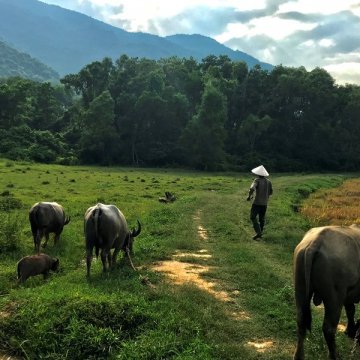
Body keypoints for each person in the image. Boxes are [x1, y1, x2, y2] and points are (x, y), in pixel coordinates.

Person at [246, 165, 273, 240]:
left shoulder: (256, 180)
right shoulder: (269, 182)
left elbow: (252, 188)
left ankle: (258, 232)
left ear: (258, 174)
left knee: (253, 217)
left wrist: (249, 196)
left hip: (257, 203)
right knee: (261, 219)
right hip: (265, 203)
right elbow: (271, 192)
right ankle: (260, 233)